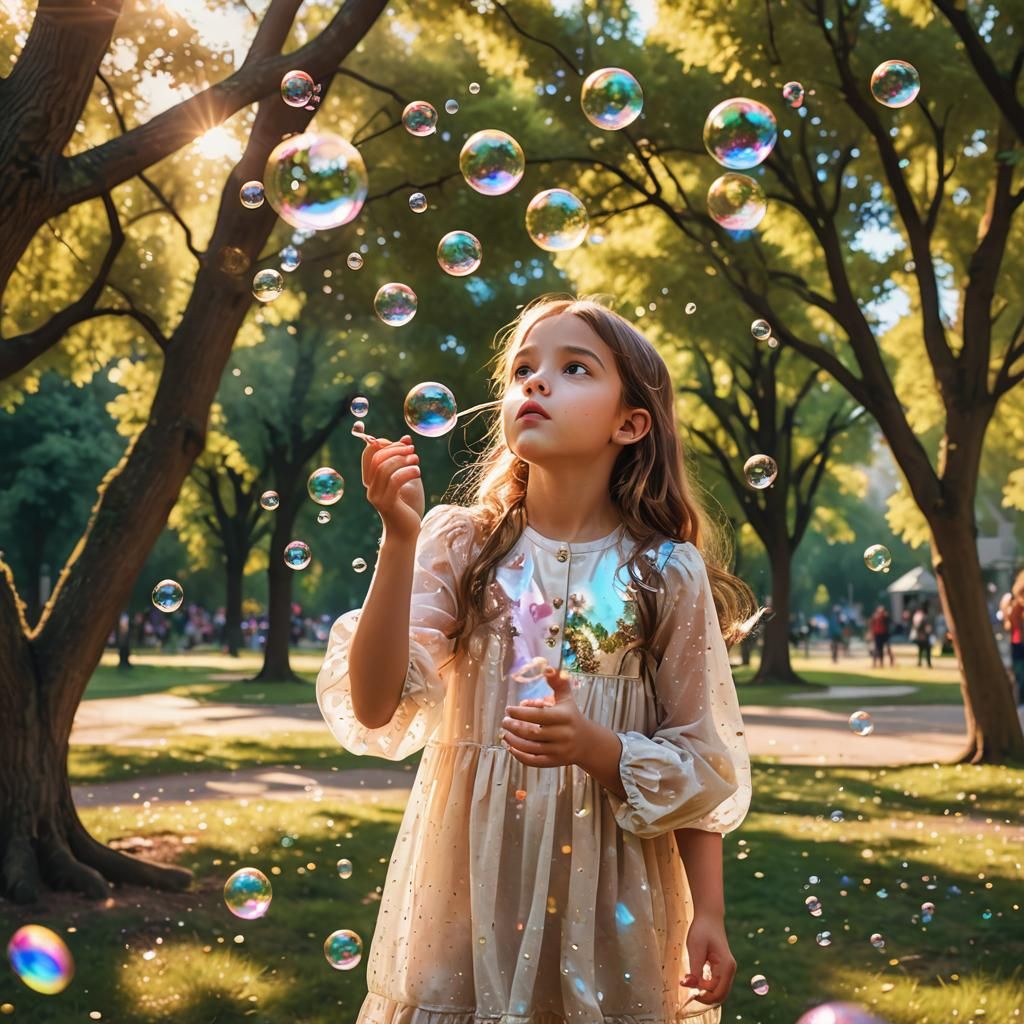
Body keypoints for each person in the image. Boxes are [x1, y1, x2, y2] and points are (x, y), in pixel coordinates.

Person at [317, 296, 756, 1024]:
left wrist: (706, 909)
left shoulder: (662, 572)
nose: (536, 383)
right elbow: (374, 705)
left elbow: (699, 758)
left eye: (572, 367)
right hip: (468, 889)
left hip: (612, 889)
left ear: (630, 423)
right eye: (523, 369)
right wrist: (398, 539)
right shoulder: (462, 545)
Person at [1000, 570, 1024, 706]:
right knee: (1019, 674)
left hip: (1018, 642)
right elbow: (1008, 626)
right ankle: (1020, 699)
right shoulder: (1014, 607)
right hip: (1017, 643)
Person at [911, 600, 934, 668]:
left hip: (922, 635)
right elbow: (920, 626)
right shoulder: (924, 616)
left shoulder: (920, 615)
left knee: (921, 650)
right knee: (927, 650)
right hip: (924, 635)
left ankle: (921, 662)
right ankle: (927, 663)